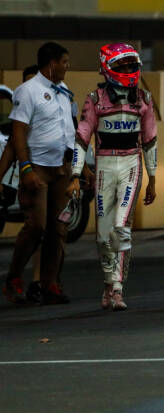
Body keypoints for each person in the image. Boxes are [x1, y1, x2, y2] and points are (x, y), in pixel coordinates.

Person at [74, 43, 158, 311]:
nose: (128, 70)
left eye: (131, 64)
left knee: (122, 227)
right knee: (102, 236)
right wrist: (75, 173)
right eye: (121, 66)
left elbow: (150, 139)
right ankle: (108, 283)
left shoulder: (144, 99)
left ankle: (118, 288)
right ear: (106, 67)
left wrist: (153, 177)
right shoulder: (95, 99)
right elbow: (81, 138)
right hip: (104, 165)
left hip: (131, 162)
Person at [2, 43, 77, 305]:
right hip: (38, 169)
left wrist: (80, 167)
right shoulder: (28, 91)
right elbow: (18, 133)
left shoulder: (65, 91)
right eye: (65, 62)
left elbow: (71, 131)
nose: (68, 67)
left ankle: (50, 284)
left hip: (62, 168)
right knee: (36, 226)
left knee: (59, 228)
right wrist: (26, 168)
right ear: (52, 63)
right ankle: (13, 278)